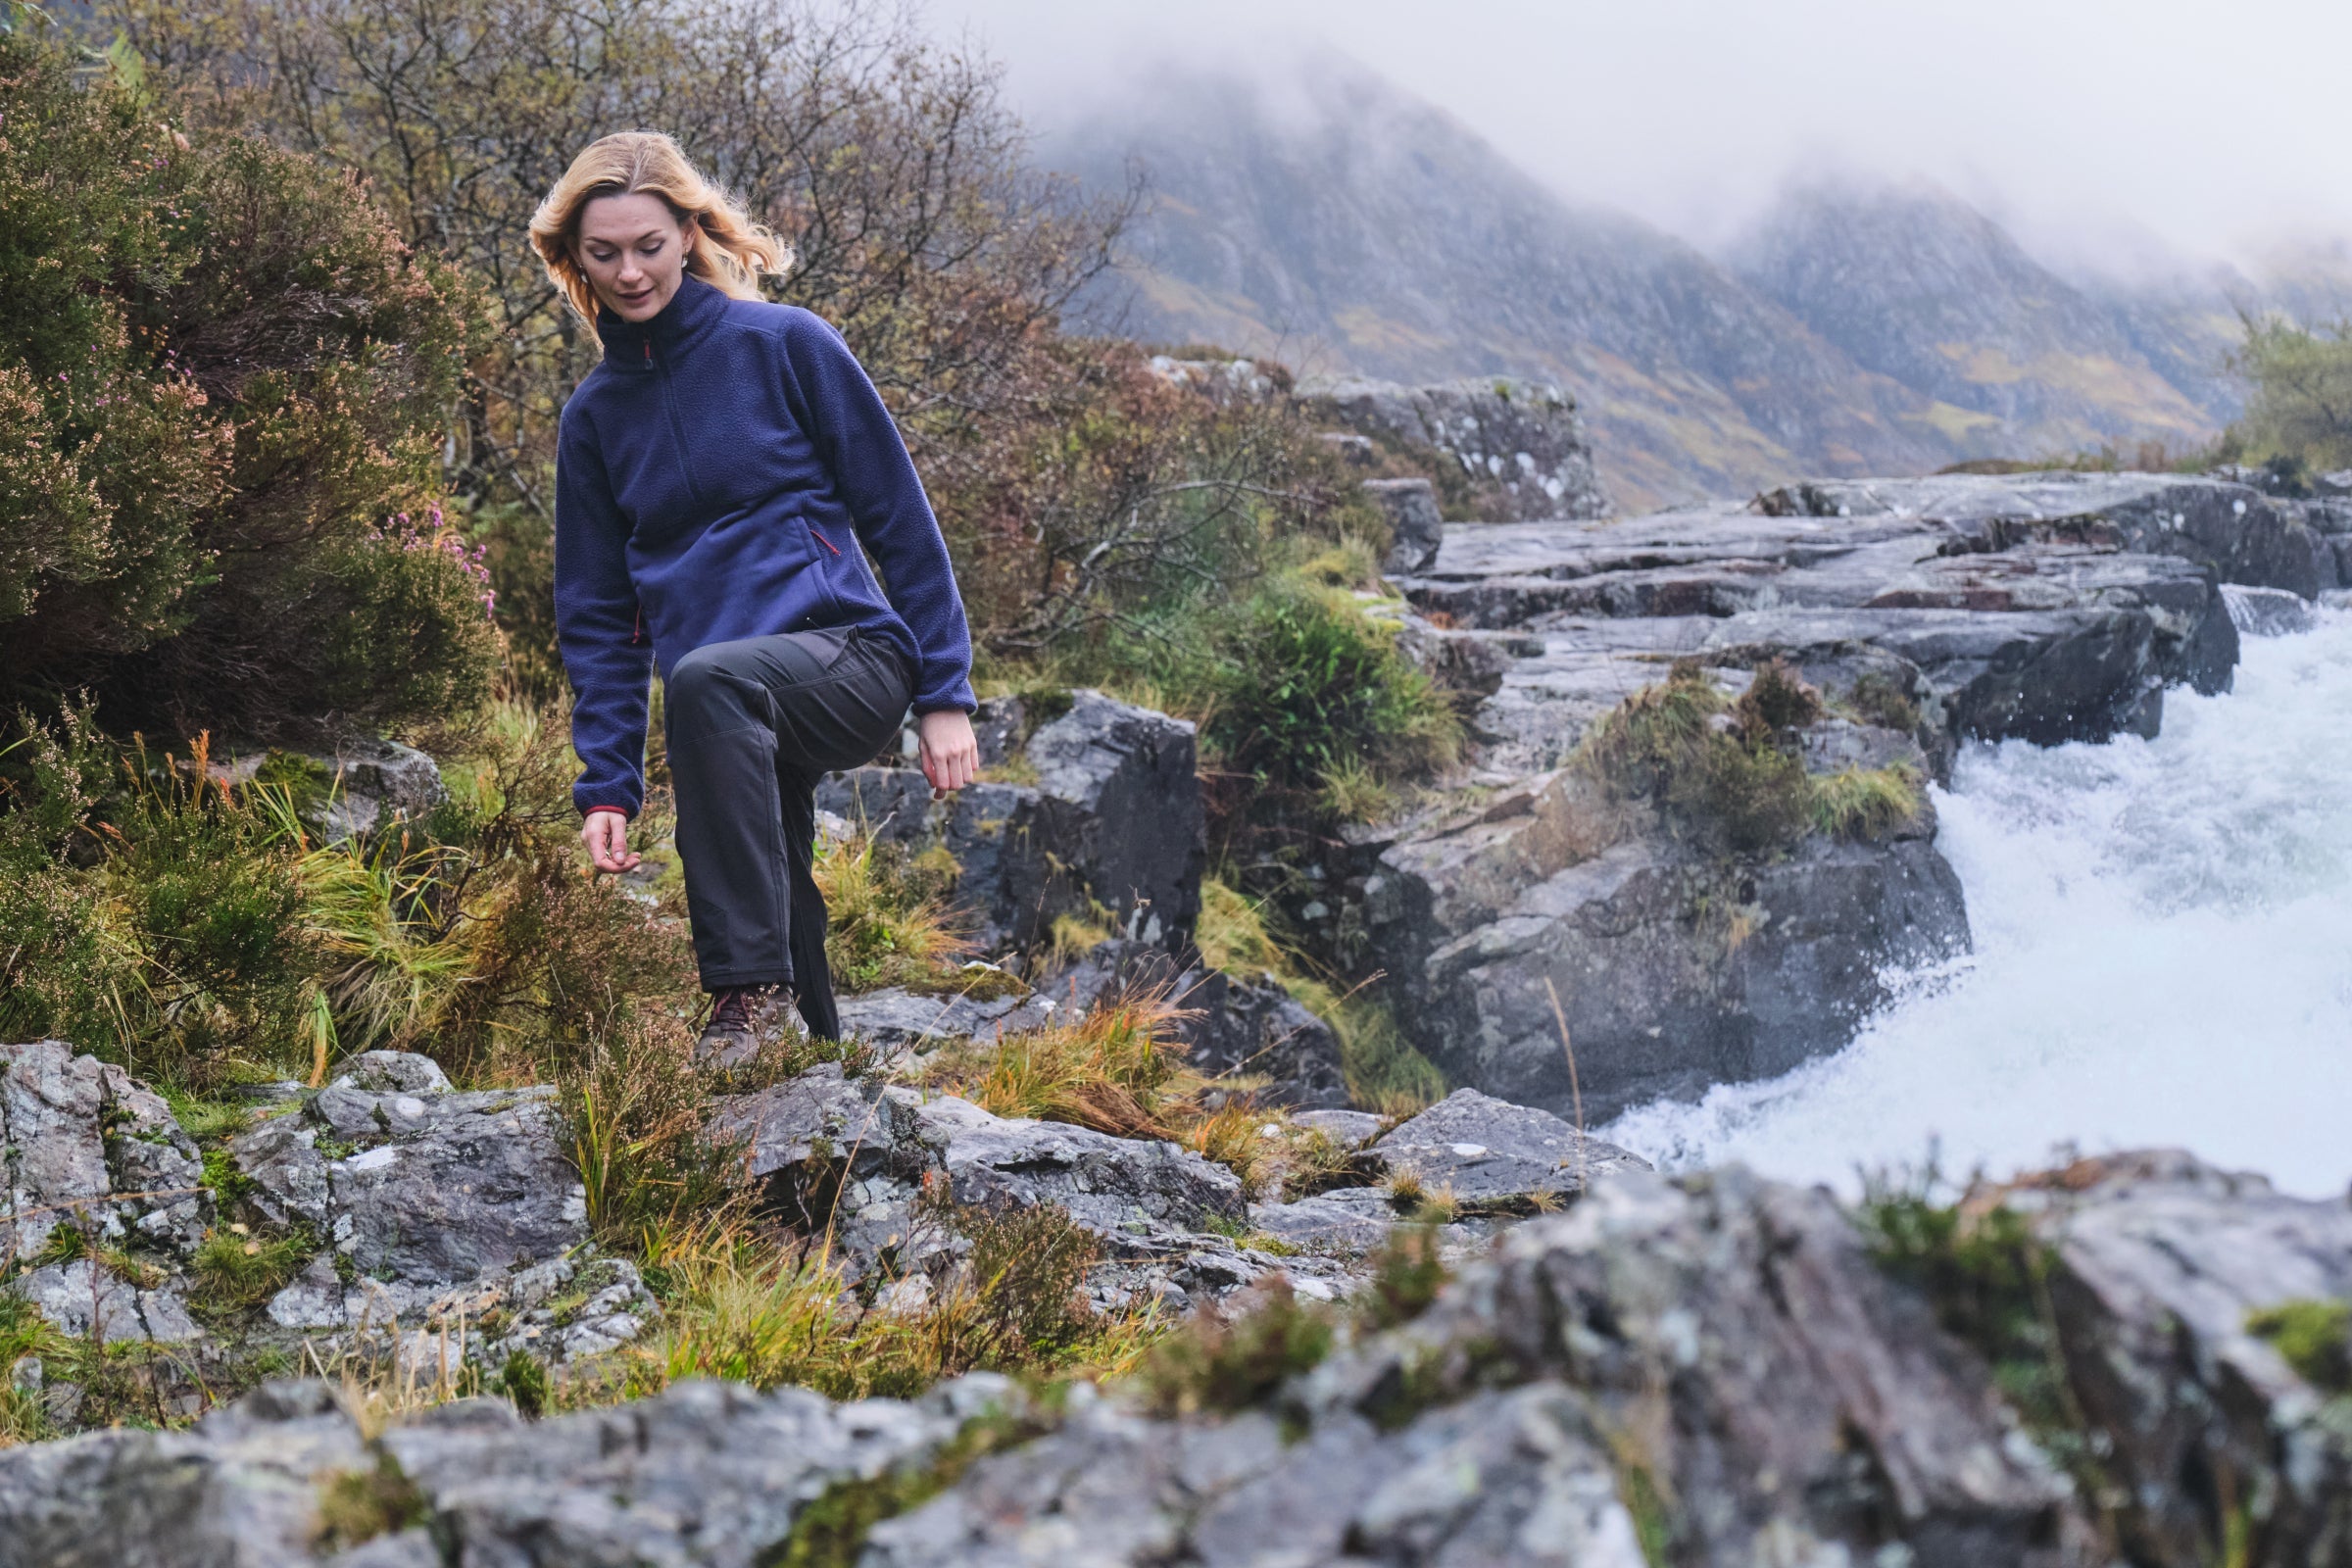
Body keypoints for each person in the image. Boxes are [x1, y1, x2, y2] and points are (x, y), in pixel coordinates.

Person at [529, 131, 979, 1062]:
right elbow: (598, 620)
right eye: (603, 253)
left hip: (851, 657)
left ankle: (743, 999)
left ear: (690, 233)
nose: (629, 272)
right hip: (726, 706)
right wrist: (606, 782)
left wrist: (944, 693)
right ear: (573, 258)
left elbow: (898, 514)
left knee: (706, 685)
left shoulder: (786, 345)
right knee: (766, 867)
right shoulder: (594, 420)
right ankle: (802, 1080)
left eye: (648, 246)